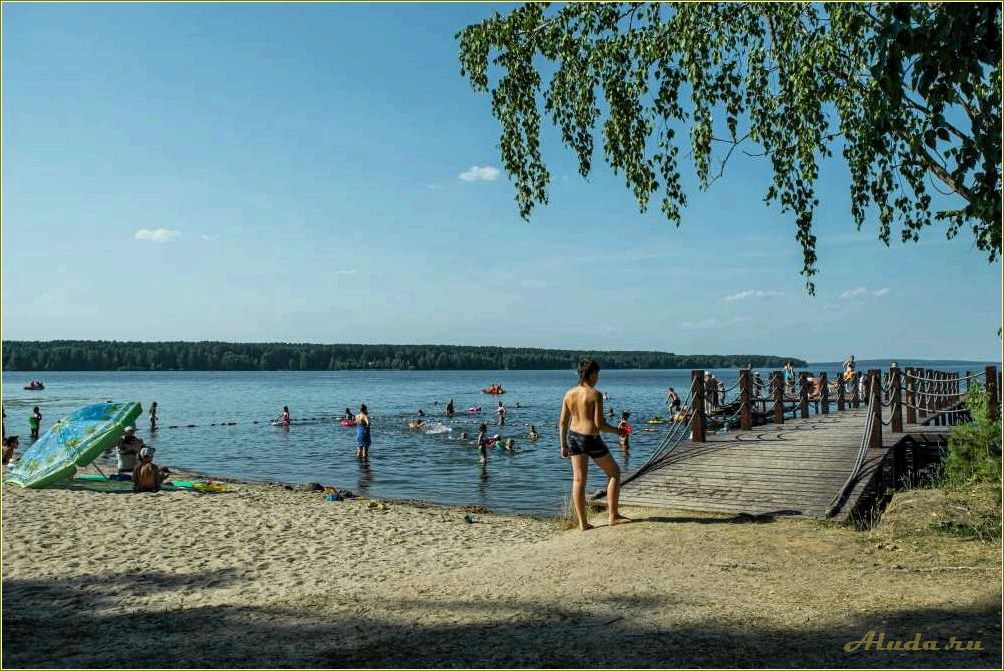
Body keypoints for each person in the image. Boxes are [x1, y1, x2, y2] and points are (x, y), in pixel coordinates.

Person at [559, 358, 629, 531]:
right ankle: (613, 516)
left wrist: (563, 445)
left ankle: (583, 523)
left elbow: (562, 422)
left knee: (578, 479)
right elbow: (599, 425)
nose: (598, 378)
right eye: (597, 374)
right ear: (591, 374)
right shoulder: (595, 394)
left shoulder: (569, 394)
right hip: (590, 438)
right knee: (614, 473)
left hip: (573, 437)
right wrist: (618, 431)